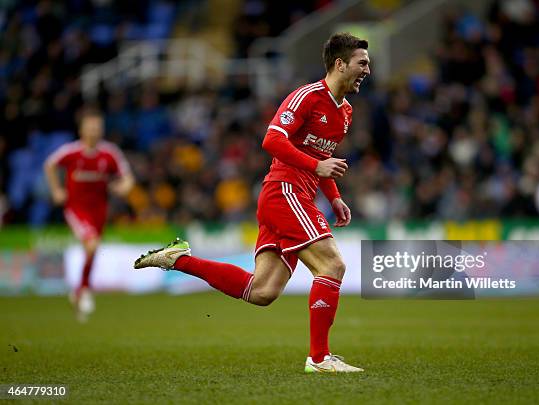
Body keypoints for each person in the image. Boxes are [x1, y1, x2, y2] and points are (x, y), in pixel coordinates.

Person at [135, 32, 370, 373]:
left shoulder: (345, 112)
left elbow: (322, 156)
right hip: (284, 193)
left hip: (297, 196)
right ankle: (319, 359)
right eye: (362, 62)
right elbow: (272, 140)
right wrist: (316, 167)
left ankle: (178, 260)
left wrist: (334, 198)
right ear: (340, 64)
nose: (367, 69)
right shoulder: (307, 96)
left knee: (262, 291)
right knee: (332, 266)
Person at [45, 107, 134, 321]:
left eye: (97, 127)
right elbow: (50, 165)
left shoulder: (109, 153)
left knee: (91, 249)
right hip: (76, 208)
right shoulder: (71, 152)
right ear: (82, 130)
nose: (94, 131)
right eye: (90, 127)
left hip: (99, 209)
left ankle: (80, 291)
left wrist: (124, 187)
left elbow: (127, 177)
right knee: (91, 244)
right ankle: (84, 289)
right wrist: (56, 190)